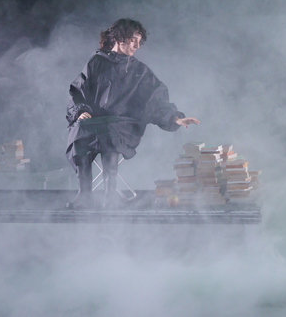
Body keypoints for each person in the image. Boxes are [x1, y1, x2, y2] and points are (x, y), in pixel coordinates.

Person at [66, 19, 200, 208]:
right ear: (120, 38)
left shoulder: (140, 71)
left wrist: (174, 117)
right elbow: (78, 90)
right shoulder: (96, 62)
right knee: (78, 130)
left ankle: (110, 195)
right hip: (94, 122)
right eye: (133, 40)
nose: (137, 46)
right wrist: (81, 111)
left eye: (139, 41)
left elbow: (156, 99)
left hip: (124, 124)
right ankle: (84, 195)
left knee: (110, 132)